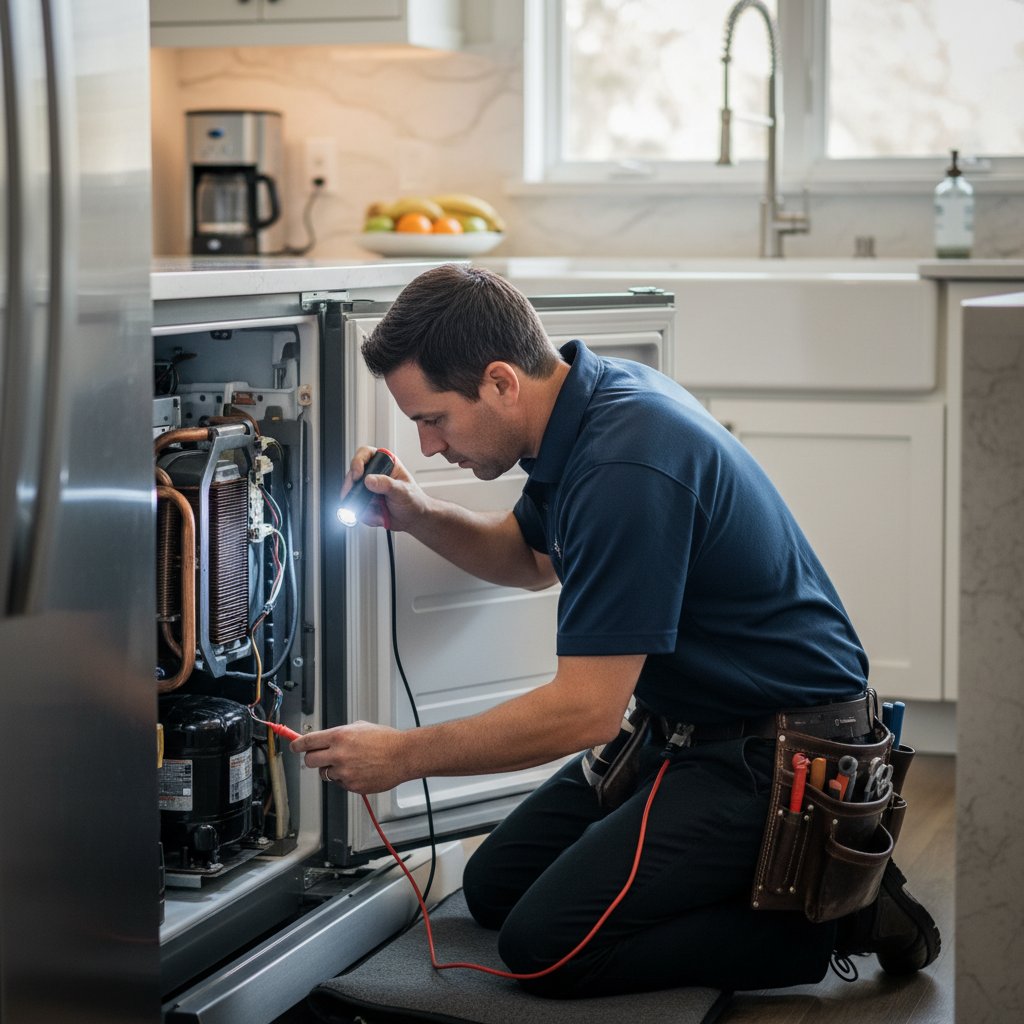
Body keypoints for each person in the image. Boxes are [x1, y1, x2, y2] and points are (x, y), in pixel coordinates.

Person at [292, 264, 940, 997]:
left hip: (780, 755)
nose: (429, 445)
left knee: (545, 949)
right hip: (682, 732)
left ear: (501, 382)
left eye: (433, 418)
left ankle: (823, 924)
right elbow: (532, 559)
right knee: (494, 888)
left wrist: (404, 756)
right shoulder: (583, 406)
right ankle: (742, 884)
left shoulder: (624, 463)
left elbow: (585, 713)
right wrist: (418, 514)